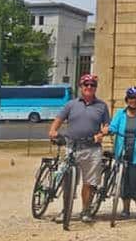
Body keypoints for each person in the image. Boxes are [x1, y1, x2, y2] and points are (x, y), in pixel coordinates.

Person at [48, 73, 110, 223]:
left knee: (89, 182)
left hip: (92, 148)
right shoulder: (71, 104)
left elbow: (107, 125)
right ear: (81, 87)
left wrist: (102, 133)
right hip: (72, 147)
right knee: (68, 181)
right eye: (86, 85)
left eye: (92, 85)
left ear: (95, 88)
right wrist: (53, 130)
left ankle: (85, 210)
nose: (89, 87)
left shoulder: (102, 106)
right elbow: (59, 119)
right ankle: (65, 210)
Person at [108, 86, 136, 219]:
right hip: (122, 151)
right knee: (124, 181)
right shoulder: (120, 114)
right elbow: (113, 127)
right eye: (131, 98)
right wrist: (109, 131)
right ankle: (125, 209)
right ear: (127, 100)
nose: (133, 101)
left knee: (135, 181)